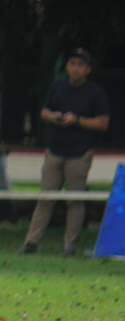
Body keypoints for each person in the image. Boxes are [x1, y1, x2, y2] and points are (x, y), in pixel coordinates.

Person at [19, 47, 110, 256]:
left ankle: (69, 246)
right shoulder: (57, 87)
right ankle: (31, 243)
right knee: (45, 197)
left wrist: (77, 121)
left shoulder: (96, 92)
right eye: (72, 64)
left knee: (75, 200)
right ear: (66, 67)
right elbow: (44, 111)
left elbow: (103, 123)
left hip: (79, 153)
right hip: (55, 151)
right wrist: (54, 117)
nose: (75, 68)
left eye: (80, 65)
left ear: (88, 69)